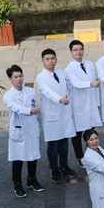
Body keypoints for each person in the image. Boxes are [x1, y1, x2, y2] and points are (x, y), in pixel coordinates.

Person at [35, 49, 77, 184]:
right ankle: (54, 170)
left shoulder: (61, 73)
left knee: (64, 145)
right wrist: (60, 99)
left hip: (64, 114)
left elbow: (70, 85)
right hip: (52, 116)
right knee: (53, 147)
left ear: (56, 59)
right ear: (43, 61)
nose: (51, 61)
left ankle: (64, 166)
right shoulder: (40, 78)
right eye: (47, 59)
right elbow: (48, 92)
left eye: (52, 58)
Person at [3, 65, 43, 197]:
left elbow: (33, 104)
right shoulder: (8, 96)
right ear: (10, 79)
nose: (19, 79)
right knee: (18, 158)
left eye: (20, 76)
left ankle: (32, 179)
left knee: (33, 156)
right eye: (16, 77)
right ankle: (17, 184)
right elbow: (16, 108)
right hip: (19, 129)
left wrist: (31, 111)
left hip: (31, 128)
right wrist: (29, 111)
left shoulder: (30, 91)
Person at [65, 40, 103, 168]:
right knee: (77, 133)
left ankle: (91, 152)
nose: (78, 52)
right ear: (71, 52)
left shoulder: (89, 64)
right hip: (79, 105)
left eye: (80, 49)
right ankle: (80, 157)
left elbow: (95, 82)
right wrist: (90, 84)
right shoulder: (69, 69)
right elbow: (76, 83)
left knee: (90, 131)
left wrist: (97, 102)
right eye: (75, 50)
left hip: (91, 102)